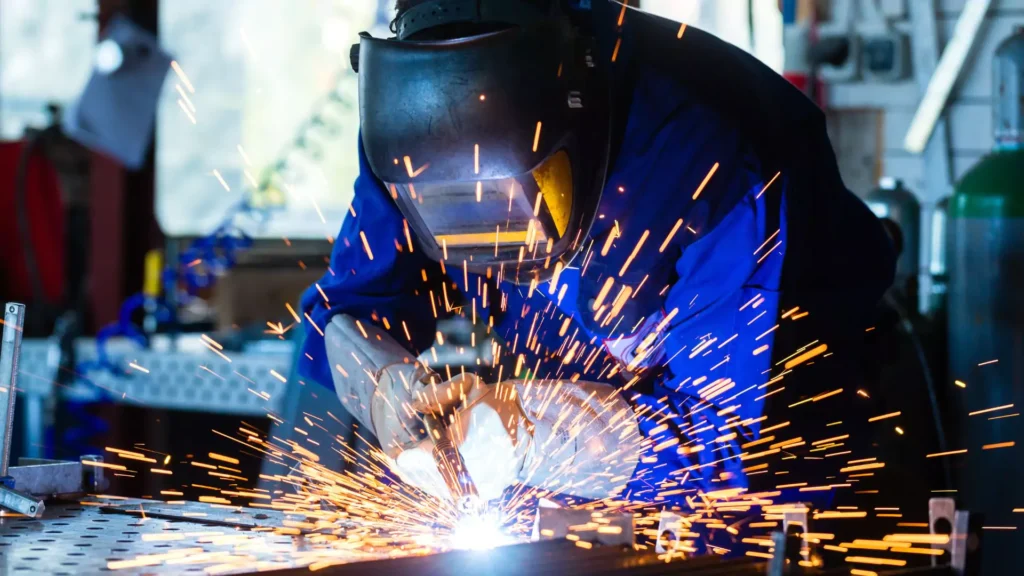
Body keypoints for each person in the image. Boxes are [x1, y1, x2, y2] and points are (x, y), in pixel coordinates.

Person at [300, 0, 895, 512]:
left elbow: (729, 445)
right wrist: (385, 388)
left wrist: (530, 436)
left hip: (782, 457)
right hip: (576, 454)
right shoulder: (408, 131)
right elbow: (350, 310)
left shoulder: (710, 155)